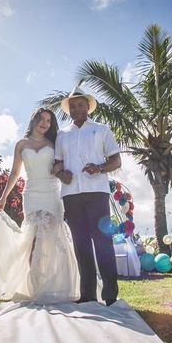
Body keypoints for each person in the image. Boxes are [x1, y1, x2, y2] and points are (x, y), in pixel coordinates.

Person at [0, 107, 80, 303]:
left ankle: (57, 286)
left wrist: (59, 168)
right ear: (34, 120)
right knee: (31, 240)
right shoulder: (21, 144)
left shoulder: (54, 142)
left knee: (53, 239)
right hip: (31, 194)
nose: (45, 123)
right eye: (42, 119)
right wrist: (4, 196)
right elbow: (15, 173)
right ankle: (34, 286)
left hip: (52, 193)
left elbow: (63, 165)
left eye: (49, 120)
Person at [53, 86, 122, 306]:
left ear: (88, 107)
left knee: (103, 242)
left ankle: (110, 295)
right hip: (71, 195)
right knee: (81, 244)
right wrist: (62, 174)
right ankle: (88, 295)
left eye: (80, 105)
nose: (75, 108)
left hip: (97, 193)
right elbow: (57, 164)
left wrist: (100, 168)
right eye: (72, 106)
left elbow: (116, 161)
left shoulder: (102, 129)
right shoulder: (62, 134)